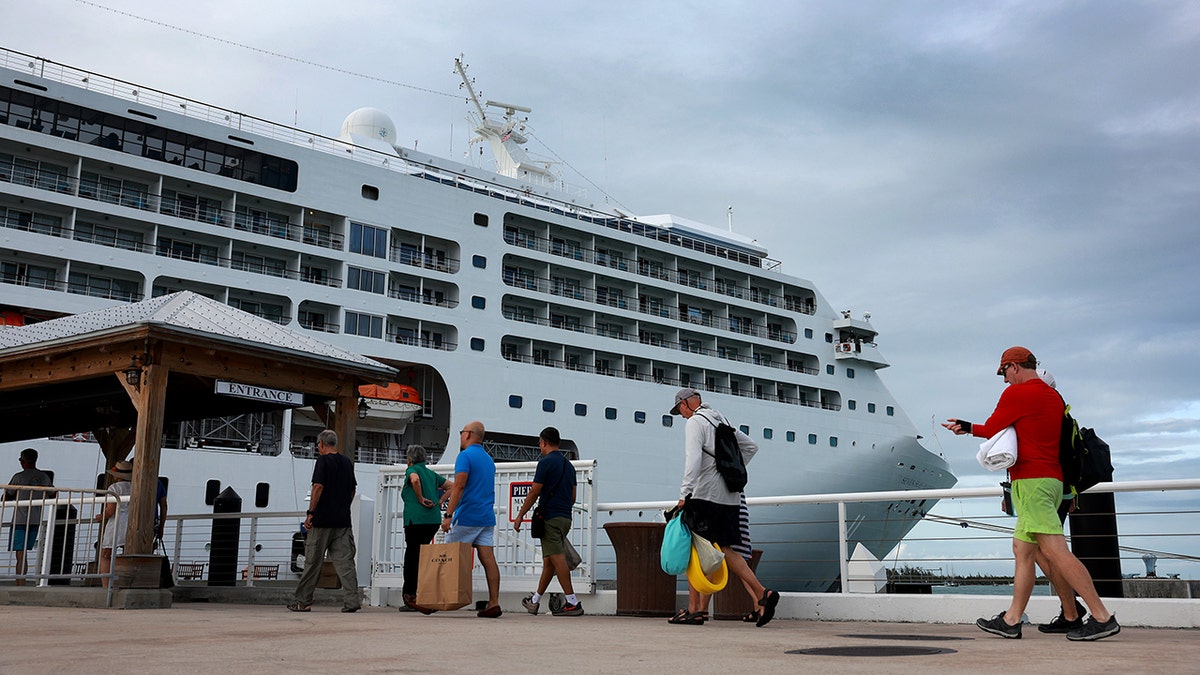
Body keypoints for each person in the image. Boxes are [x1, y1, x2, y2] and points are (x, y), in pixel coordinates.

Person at [945, 346, 1119, 641]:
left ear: (1013, 366)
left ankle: (1102, 617)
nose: (1003, 380)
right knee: (1023, 550)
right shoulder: (1053, 397)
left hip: (1033, 482)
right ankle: (1012, 620)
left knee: (1055, 551)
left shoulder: (1018, 394)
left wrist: (965, 428)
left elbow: (991, 429)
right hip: (1052, 480)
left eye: (1003, 372)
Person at [667, 387, 779, 627]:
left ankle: (694, 610)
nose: (682, 416)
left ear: (687, 404)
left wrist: (684, 493)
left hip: (705, 495)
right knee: (727, 549)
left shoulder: (696, 422)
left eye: (680, 410)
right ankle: (763, 593)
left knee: (694, 549)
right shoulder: (721, 419)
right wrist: (727, 468)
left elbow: (693, 459)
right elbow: (750, 447)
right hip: (730, 496)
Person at [287, 429, 361, 613]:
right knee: (346, 564)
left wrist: (310, 513)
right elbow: (352, 489)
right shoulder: (346, 462)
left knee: (313, 562)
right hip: (343, 522)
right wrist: (344, 506)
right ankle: (352, 602)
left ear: (321, 444)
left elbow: (318, 486)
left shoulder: (322, 461)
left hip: (321, 521)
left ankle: (302, 602)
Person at [513, 427, 583, 616]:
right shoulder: (569, 466)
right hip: (565, 518)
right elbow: (573, 496)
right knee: (549, 562)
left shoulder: (544, 463)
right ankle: (534, 601)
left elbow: (535, 491)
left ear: (543, 442)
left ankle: (572, 602)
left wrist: (520, 515)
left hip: (550, 518)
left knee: (557, 559)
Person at [441, 420, 502, 618]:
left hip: (467, 516)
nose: (460, 436)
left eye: (461, 432)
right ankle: (494, 602)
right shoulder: (488, 459)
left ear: (468, 434)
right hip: (486, 517)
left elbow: (458, 486)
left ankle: (437, 598)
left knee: (446, 556)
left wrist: (448, 515)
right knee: (489, 560)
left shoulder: (465, 456)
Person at [400, 444, 451, 612]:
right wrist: (441, 500)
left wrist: (420, 498)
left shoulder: (411, 470)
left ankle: (410, 596)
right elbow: (451, 486)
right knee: (422, 555)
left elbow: (414, 479)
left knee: (412, 557)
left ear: (409, 460)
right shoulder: (431, 473)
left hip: (416, 520)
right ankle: (422, 593)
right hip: (432, 520)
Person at [5, 448, 54, 586]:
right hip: (35, 519)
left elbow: (7, 495)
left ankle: (20, 582)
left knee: (20, 554)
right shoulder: (44, 477)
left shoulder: (18, 477)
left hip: (20, 520)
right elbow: (53, 494)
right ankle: (22, 580)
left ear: (23, 461)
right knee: (25, 552)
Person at [96, 460, 132, 588]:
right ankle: (125, 583)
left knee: (106, 554)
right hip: (131, 522)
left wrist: (101, 517)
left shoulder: (114, 488)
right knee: (127, 553)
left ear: (117, 475)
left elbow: (110, 510)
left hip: (116, 523)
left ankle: (106, 587)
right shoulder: (134, 486)